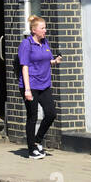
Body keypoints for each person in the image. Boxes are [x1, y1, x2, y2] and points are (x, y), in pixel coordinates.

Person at [19, 15, 61, 158]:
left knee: (51, 114)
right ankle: (31, 150)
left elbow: (46, 61)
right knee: (32, 116)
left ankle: (37, 140)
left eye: (45, 27)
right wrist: (27, 89)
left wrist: (55, 61)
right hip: (31, 85)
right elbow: (24, 67)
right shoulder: (26, 44)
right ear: (34, 30)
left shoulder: (45, 42)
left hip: (44, 84)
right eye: (42, 28)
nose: (45, 30)